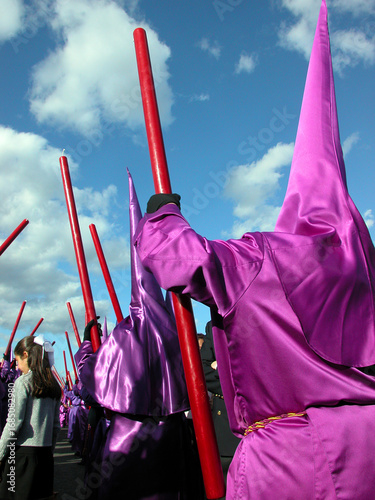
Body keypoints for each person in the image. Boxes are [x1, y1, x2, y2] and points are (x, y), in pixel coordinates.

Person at [135, 2, 375, 498]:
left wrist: (162, 214)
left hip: (291, 460)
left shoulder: (266, 258)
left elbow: (183, 259)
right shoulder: (364, 272)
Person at [0, 335, 60, 500]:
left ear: (26, 355)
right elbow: (56, 426)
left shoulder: (23, 382)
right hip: (45, 455)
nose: (17, 366)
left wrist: (0, 453)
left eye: (18, 360)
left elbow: (13, 423)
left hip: (22, 455)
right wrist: (49, 450)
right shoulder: (53, 385)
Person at [200, 321, 240, 484]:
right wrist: (232, 385)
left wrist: (221, 367)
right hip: (225, 425)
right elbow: (202, 369)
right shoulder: (213, 325)